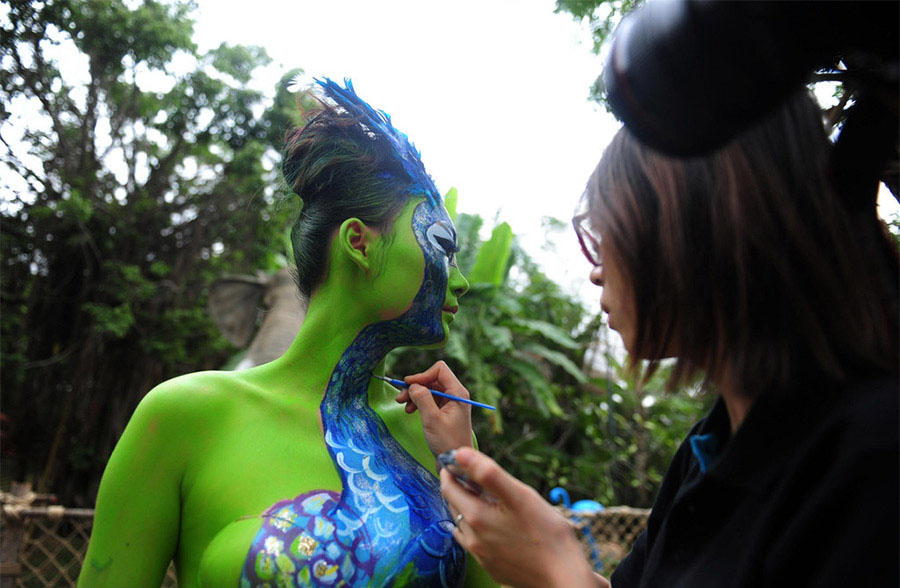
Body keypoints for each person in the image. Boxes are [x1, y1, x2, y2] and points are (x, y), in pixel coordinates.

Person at [397, 88, 899, 587]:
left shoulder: (875, 453)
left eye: (610, 233)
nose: (597, 271)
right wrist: (462, 459)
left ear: (697, 229)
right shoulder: (710, 448)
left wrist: (555, 571)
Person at [79, 79, 497, 587]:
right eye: (441, 248)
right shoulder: (184, 416)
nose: (461, 280)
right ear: (359, 244)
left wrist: (465, 468)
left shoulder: (437, 435)